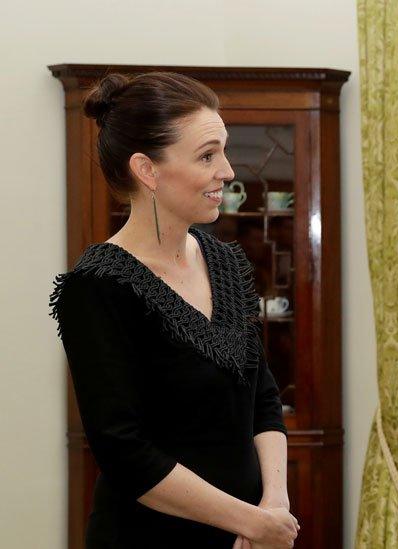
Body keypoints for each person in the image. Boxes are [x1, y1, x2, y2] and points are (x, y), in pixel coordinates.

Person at [50, 72, 299, 549]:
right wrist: (246, 520)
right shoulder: (97, 287)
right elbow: (126, 453)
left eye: (223, 150)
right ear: (147, 170)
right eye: (208, 155)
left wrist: (274, 503)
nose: (227, 170)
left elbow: (263, 398)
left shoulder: (225, 260)